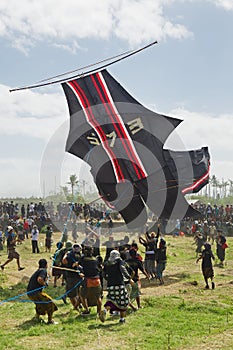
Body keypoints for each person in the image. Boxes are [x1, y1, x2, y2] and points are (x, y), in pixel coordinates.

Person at [102, 250, 134, 323]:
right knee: (123, 301)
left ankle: (105, 310)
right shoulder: (119, 261)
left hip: (110, 286)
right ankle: (122, 319)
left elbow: (103, 274)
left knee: (112, 300)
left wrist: (108, 279)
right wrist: (129, 278)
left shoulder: (107, 263)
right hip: (119, 284)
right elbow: (123, 269)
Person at [27, 258, 58, 324]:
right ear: (46, 265)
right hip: (35, 293)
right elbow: (40, 279)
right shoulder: (43, 271)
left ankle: (37, 317)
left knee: (40, 304)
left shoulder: (38, 270)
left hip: (30, 293)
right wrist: (44, 284)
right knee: (50, 303)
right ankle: (50, 321)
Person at [79, 246, 103, 319]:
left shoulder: (83, 259)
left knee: (82, 295)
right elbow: (100, 267)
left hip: (88, 279)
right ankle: (99, 312)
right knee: (98, 297)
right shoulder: (95, 259)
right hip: (97, 280)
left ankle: (86, 310)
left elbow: (78, 264)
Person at [62, 243, 84, 310]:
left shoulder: (70, 255)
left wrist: (66, 254)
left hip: (73, 277)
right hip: (78, 276)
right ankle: (78, 306)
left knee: (73, 295)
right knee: (78, 293)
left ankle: (76, 307)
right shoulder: (81, 255)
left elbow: (64, 261)